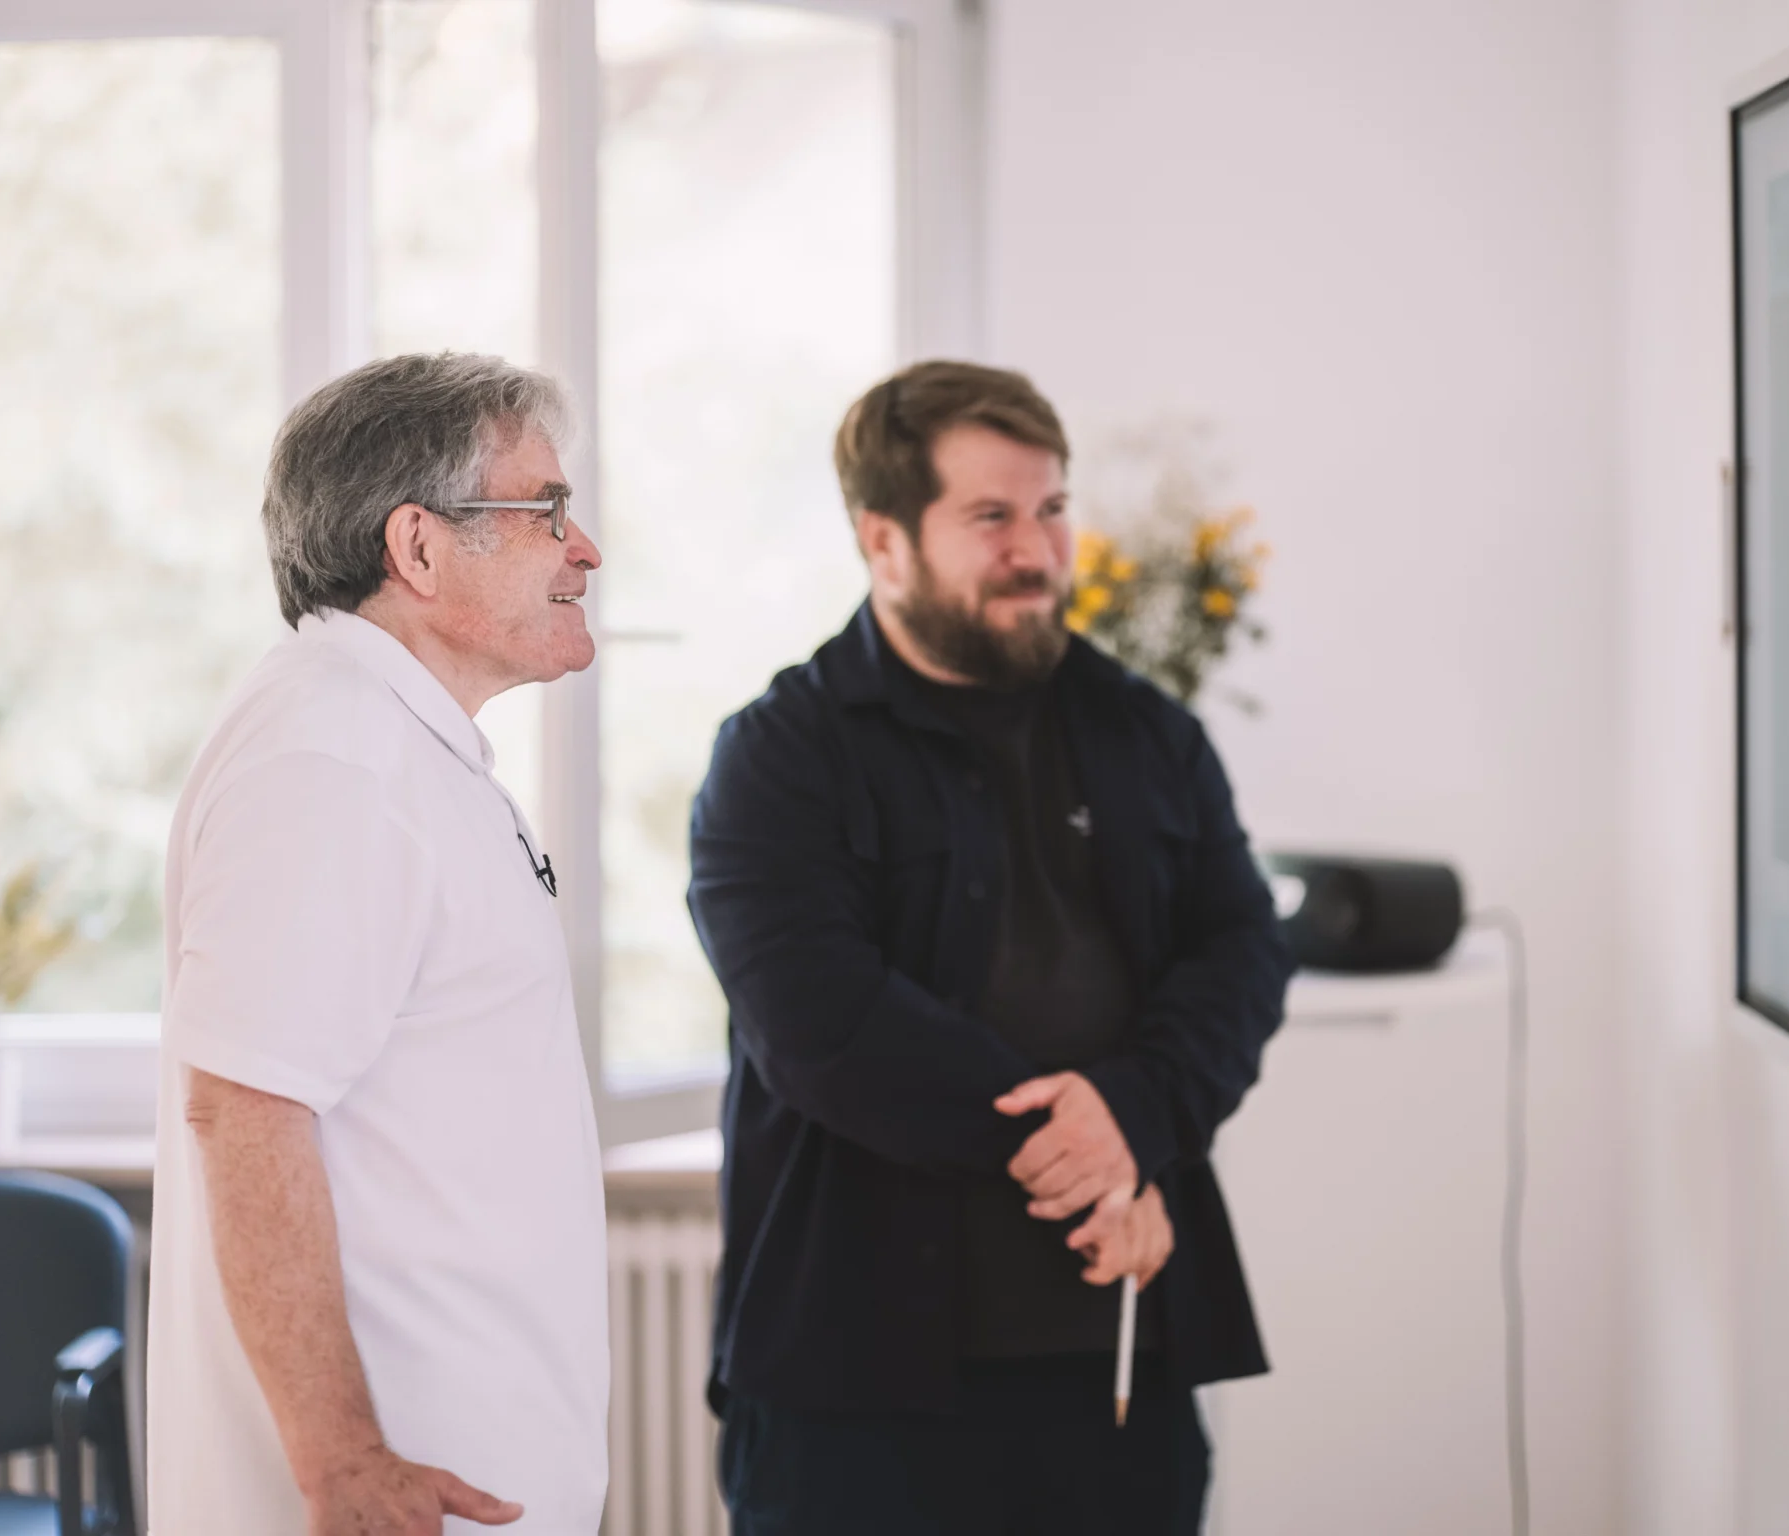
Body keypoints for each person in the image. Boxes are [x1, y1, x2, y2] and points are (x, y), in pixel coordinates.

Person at [688, 359, 1294, 1535]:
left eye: (1051, 508)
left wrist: (1138, 1114)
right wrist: (1095, 1155)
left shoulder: (1149, 732)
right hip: (852, 1388)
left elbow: (1240, 952)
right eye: (990, 517)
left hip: (1116, 1358)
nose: (1036, 549)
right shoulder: (778, 755)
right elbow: (819, 1022)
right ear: (883, 540)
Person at [147, 353, 610, 1535]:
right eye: (546, 509)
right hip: (392, 1501)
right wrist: (345, 1461)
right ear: (417, 547)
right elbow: (244, 1111)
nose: (584, 549)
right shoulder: (331, 757)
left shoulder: (395, 743)